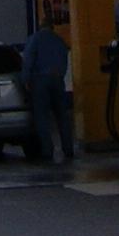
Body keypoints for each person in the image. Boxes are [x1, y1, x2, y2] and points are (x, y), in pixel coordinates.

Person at [18, 12, 77, 164]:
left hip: (39, 81)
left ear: (41, 25)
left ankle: (47, 150)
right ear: (52, 27)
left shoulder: (35, 39)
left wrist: (25, 79)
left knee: (42, 117)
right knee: (62, 116)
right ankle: (68, 149)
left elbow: (28, 60)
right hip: (57, 80)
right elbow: (64, 61)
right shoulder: (59, 41)